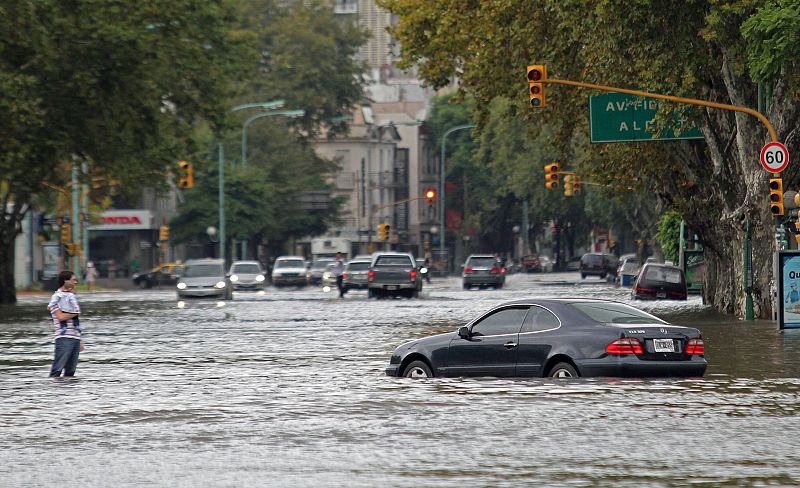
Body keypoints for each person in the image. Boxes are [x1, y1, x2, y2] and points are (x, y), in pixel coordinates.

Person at [48, 270, 84, 377]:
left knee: (71, 371)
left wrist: (80, 340)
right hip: (64, 337)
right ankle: (54, 390)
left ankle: (68, 392)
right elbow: (61, 317)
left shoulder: (71, 297)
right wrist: (76, 313)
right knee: (57, 369)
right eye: (73, 280)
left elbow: (75, 322)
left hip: (75, 337)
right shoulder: (57, 298)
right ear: (65, 281)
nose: (75, 282)